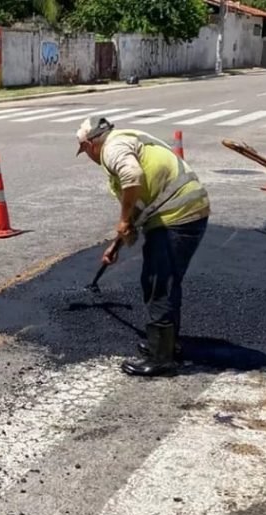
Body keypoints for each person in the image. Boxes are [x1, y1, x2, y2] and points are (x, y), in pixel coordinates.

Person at [76, 116, 211, 377]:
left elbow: (133, 177)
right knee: (162, 281)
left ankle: (162, 358)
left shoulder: (112, 149)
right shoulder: (126, 139)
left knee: (159, 282)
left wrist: (124, 220)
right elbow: (140, 201)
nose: (88, 156)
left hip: (178, 216)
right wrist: (116, 244)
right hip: (183, 213)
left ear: (91, 144)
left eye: (84, 150)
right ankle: (166, 345)